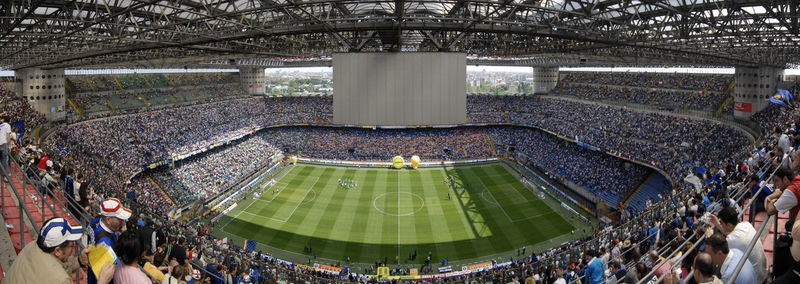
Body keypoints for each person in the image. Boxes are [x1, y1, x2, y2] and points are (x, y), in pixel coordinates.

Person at [4, 217, 114, 284]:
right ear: (57, 251)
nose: (74, 246)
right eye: (71, 245)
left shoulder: (31, 246)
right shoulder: (61, 280)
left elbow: (56, 266)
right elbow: (55, 274)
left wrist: (80, 261)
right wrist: (102, 281)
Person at [708, 206, 768, 283]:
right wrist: (717, 224)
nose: (721, 224)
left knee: (717, 268)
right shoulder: (746, 225)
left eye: (721, 223)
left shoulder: (731, 240)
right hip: (762, 272)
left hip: (755, 279)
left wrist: (708, 236)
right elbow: (730, 234)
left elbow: (726, 240)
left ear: (729, 224)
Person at [89, 198, 132, 284]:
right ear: (108, 220)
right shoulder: (105, 243)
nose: (122, 221)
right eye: (119, 219)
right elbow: (104, 276)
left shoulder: (95, 221)